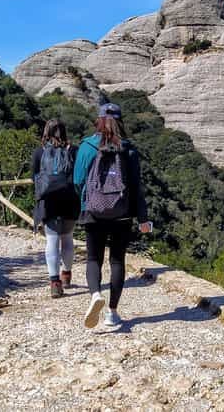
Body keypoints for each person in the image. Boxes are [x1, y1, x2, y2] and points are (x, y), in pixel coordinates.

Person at [74, 102, 151, 328]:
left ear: (99, 120)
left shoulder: (88, 146)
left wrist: (87, 201)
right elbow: (136, 187)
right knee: (117, 260)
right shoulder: (128, 149)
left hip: (93, 211)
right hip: (122, 213)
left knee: (93, 258)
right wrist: (143, 218)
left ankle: (96, 294)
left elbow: (78, 181)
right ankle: (112, 312)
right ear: (120, 121)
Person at [32, 119, 81, 298]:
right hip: (69, 200)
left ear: (46, 131)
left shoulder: (39, 152)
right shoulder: (73, 151)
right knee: (67, 238)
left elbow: (34, 178)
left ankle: (54, 283)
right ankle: (66, 275)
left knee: (51, 240)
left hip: (48, 202)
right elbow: (78, 176)